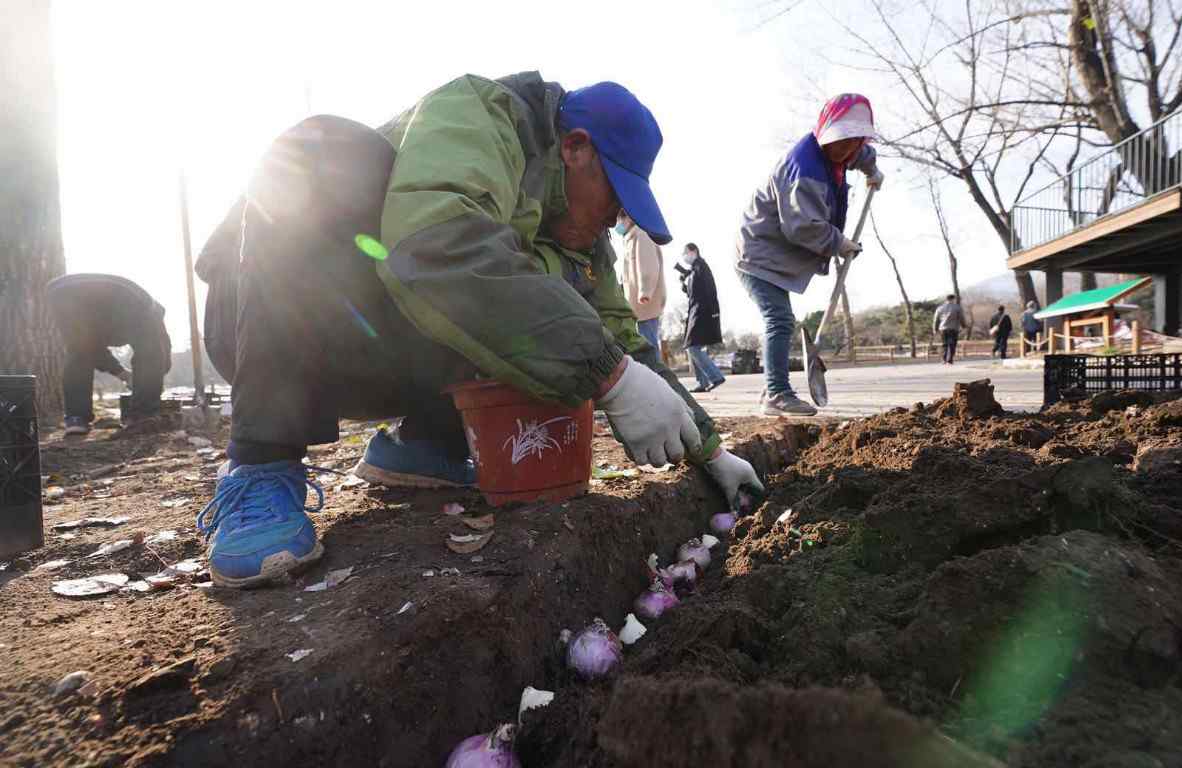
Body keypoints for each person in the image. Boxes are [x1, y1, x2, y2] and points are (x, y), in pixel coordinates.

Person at [194, 72, 763, 588]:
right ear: (575, 147)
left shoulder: (580, 242)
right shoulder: (484, 117)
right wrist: (612, 377)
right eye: (615, 196)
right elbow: (437, 248)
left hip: (374, 348)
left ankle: (426, 444)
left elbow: (626, 339)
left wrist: (711, 451)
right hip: (265, 318)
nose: (615, 219)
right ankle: (260, 464)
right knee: (328, 148)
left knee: (533, 306)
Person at [735, 94, 884, 416]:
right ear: (825, 133)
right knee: (779, 319)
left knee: (780, 319)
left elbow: (860, 155)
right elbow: (802, 227)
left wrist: (872, 169)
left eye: (853, 143)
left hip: (773, 252)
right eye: (841, 142)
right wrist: (839, 242)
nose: (845, 151)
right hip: (757, 253)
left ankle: (772, 389)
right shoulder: (804, 170)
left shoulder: (846, 151)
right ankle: (776, 394)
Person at [45, 274, 172, 436]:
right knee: (151, 353)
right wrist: (146, 385)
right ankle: (143, 416)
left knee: (78, 350)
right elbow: (156, 357)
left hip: (60, 290)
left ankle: (77, 418)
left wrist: (125, 375)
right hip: (126, 295)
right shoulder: (150, 315)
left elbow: (91, 348)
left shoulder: (135, 318)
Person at [616, 211, 666, 361]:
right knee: (645, 344)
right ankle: (655, 377)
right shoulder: (630, 238)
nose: (617, 224)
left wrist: (645, 291)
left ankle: (658, 378)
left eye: (620, 218)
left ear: (629, 217)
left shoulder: (641, 235)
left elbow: (648, 264)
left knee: (648, 345)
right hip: (637, 304)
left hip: (645, 302)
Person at [678, 243, 725, 393]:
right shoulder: (695, 269)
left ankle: (715, 376)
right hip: (695, 311)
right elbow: (694, 293)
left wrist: (713, 312)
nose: (684, 256)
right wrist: (684, 286)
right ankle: (702, 382)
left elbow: (710, 290)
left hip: (702, 312)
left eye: (685, 253)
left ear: (693, 251)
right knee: (692, 346)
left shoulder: (701, 267)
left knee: (693, 346)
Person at [933, 294, 966, 364]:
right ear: (953, 299)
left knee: (944, 344)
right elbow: (961, 318)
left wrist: (935, 329)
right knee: (952, 344)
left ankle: (944, 359)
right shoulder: (957, 307)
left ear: (946, 299)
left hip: (943, 328)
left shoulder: (940, 308)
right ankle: (950, 359)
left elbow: (936, 320)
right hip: (953, 328)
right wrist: (964, 326)